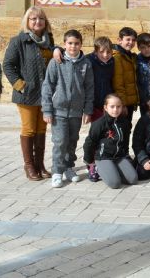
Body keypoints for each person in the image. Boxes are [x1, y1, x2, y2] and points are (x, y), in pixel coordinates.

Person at [3, 7, 56, 181]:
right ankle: (29, 166)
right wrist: (21, 85)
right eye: (33, 18)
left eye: (40, 18)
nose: (37, 21)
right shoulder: (19, 41)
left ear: (45, 22)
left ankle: (40, 165)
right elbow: (8, 65)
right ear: (27, 21)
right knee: (29, 129)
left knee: (42, 129)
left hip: (46, 94)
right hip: (27, 93)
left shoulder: (49, 41)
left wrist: (58, 50)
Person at [41, 29, 93, 188]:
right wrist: (47, 109)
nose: (73, 46)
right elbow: (48, 86)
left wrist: (88, 109)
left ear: (81, 44)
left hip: (77, 112)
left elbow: (90, 88)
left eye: (76, 43)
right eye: (70, 43)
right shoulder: (56, 62)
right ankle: (57, 171)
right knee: (60, 141)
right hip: (59, 111)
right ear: (64, 44)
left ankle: (68, 168)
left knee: (72, 141)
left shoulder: (86, 63)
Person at [82, 94, 138, 189]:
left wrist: (126, 155)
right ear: (106, 107)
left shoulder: (125, 123)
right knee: (115, 183)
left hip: (119, 157)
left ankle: (113, 168)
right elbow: (89, 143)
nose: (115, 110)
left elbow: (125, 141)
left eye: (118, 106)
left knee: (133, 179)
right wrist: (89, 161)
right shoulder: (99, 124)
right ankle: (95, 168)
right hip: (103, 157)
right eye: (112, 107)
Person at [113, 27, 139, 121]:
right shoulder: (117, 57)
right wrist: (122, 104)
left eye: (133, 40)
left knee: (127, 129)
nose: (131, 42)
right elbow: (118, 83)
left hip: (130, 101)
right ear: (119, 40)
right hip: (123, 103)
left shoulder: (131, 56)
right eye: (128, 39)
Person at [87, 36, 114, 122]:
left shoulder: (113, 62)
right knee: (97, 128)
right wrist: (57, 50)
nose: (105, 55)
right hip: (94, 103)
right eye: (101, 52)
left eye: (108, 52)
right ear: (95, 52)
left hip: (107, 103)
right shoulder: (88, 61)